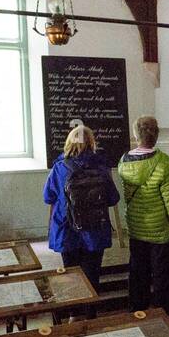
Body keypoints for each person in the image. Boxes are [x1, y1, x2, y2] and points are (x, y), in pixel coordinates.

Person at [118, 116, 169, 326]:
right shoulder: (163, 161)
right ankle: (166, 319)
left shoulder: (124, 161)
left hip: (136, 226)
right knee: (162, 275)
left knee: (138, 272)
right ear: (156, 135)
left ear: (136, 135)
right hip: (158, 229)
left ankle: (137, 313)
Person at [43, 124, 119, 293]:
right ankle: (91, 314)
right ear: (91, 143)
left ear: (69, 143)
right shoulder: (101, 168)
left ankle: (73, 315)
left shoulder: (59, 168)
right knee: (92, 275)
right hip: (95, 232)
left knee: (71, 276)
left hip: (67, 230)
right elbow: (114, 198)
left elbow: (47, 197)